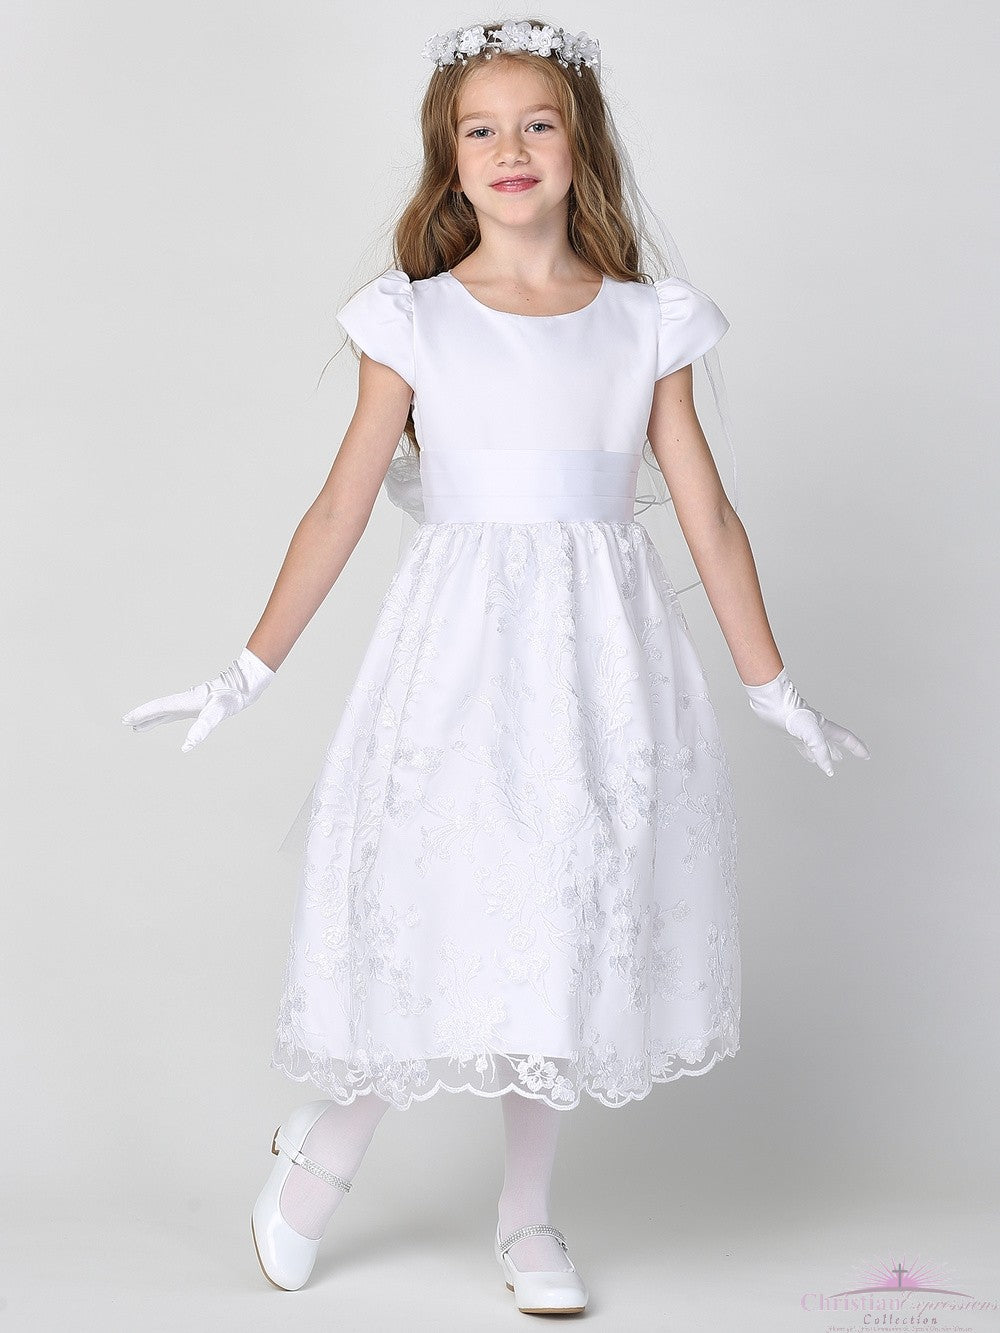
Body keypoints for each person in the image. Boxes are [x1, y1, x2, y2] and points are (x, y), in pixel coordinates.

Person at [120, 17, 870, 1316]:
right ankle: (324, 1153)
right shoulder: (410, 321)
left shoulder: (645, 323)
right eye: (481, 128)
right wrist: (246, 670)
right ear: (448, 161)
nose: (510, 147)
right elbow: (341, 508)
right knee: (437, 900)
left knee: (558, 916)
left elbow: (707, 514)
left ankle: (528, 1216)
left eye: (536, 123)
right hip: (461, 657)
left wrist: (772, 685)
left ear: (578, 147)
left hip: (601, 660)